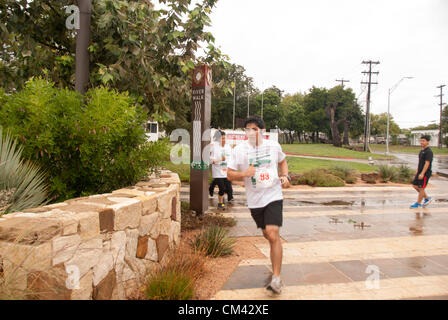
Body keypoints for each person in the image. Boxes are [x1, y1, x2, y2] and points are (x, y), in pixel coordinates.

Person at [227, 116, 290, 295]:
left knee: (272, 233)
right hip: (254, 200)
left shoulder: (273, 146)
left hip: (273, 194)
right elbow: (229, 175)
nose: (251, 132)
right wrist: (245, 173)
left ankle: (276, 278)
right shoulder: (239, 150)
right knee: (266, 233)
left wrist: (285, 176)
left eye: (255, 129)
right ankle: (273, 248)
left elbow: (282, 161)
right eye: (248, 129)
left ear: (262, 131)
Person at [209, 130, 233, 210]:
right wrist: (220, 159)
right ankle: (220, 203)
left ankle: (223, 198)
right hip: (217, 171)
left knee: (227, 188)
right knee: (222, 188)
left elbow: (231, 158)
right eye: (222, 138)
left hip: (226, 171)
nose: (224, 140)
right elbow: (210, 160)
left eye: (224, 138)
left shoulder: (228, 146)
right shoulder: (213, 147)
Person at [410, 135, 434, 208]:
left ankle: (418, 203)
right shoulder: (422, 151)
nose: (421, 142)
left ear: (428, 142)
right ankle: (427, 198)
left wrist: (422, 173)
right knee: (415, 185)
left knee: (421, 188)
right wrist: (417, 171)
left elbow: (427, 163)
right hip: (420, 171)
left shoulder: (429, 152)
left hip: (425, 173)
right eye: (421, 141)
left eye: (423, 141)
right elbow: (420, 162)